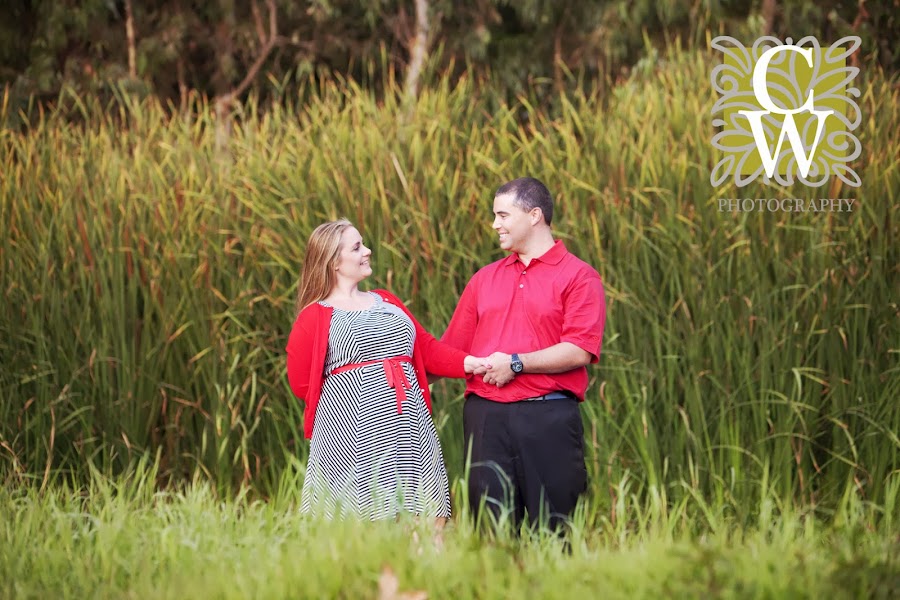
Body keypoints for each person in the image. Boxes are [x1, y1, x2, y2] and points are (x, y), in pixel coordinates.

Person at [285, 219, 487, 527]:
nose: (367, 250)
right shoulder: (314, 316)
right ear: (334, 262)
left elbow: (427, 349)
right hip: (350, 435)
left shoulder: (387, 300)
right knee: (364, 520)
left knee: (427, 515)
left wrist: (469, 363)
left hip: (409, 425)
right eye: (356, 247)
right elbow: (301, 384)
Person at [441, 177, 606, 532]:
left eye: (502, 215)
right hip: (485, 419)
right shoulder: (483, 279)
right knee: (491, 535)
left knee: (556, 532)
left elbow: (579, 349)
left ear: (534, 215)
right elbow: (450, 349)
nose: (494, 224)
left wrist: (516, 363)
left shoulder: (580, 276)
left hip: (547, 418)